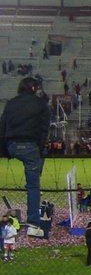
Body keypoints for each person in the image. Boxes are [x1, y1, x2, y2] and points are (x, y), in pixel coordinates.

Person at [0, 76, 51, 236]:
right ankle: (33, 225)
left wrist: (4, 150)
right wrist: (41, 147)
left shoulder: (11, 103)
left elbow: (2, 126)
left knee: (33, 181)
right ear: (34, 88)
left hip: (11, 145)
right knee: (33, 186)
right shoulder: (41, 104)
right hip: (30, 146)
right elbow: (44, 131)